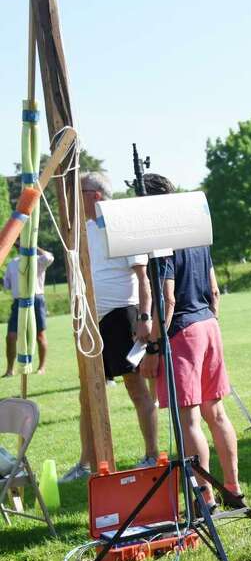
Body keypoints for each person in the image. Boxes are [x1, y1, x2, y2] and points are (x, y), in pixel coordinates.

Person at [138, 173, 241, 505]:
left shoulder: (162, 240)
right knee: (218, 414)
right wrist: (208, 321)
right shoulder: (195, 235)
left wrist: (154, 345)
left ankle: (205, 498)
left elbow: (167, 299)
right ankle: (233, 488)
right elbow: (214, 290)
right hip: (209, 326)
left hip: (182, 330)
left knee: (189, 420)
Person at [62, 173, 159, 483]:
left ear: (97, 196)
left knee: (135, 387)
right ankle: (86, 463)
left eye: (82, 192)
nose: (77, 198)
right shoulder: (84, 229)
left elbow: (143, 277)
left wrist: (145, 318)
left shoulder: (123, 224)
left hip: (123, 316)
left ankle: (151, 454)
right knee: (87, 393)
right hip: (93, 321)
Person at [3, 246, 53, 376]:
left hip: (36, 299)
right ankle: (9, 370)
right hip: (18, 301)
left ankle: (41, 368)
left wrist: (33, 246)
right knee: (11, 336)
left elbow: (49, 257)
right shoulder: (12, 263)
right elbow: (7, 284)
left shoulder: (38, 259)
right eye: (18, 243)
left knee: (39, 336)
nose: (20, 245)